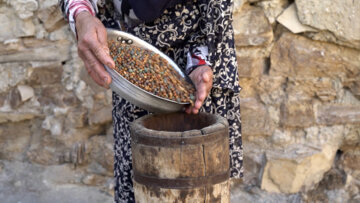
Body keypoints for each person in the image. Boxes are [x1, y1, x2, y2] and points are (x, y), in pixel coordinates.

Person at [59, 0, 243, 202]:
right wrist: (82, 16)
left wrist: (199, 60)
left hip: (199, 78)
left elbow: (213, 16)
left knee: (196, 183)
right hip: (132, 62)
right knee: (140, 182)